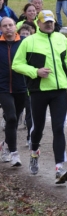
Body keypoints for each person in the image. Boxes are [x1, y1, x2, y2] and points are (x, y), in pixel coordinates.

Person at [12, 10, 67, 184]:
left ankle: (59, 168)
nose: (49, 24)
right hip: (38, 91)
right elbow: (17, 64)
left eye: (51, 21)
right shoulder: (29, 42)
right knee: (38, 127)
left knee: (58, 128)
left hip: (59, 90)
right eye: (45, 22)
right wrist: (35, 72)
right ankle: (34, 152)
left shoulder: (61, 39)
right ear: (39, 24)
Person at [0, 17, 27, 167]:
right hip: (3, 88)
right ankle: (15, 153)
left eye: (11, 25)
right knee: (10, 118)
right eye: (5, 26)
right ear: (1, 29)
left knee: (15, 120)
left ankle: (5, 144)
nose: (8, 28)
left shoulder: (23, 42)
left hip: (21, 87)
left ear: (15, 27)